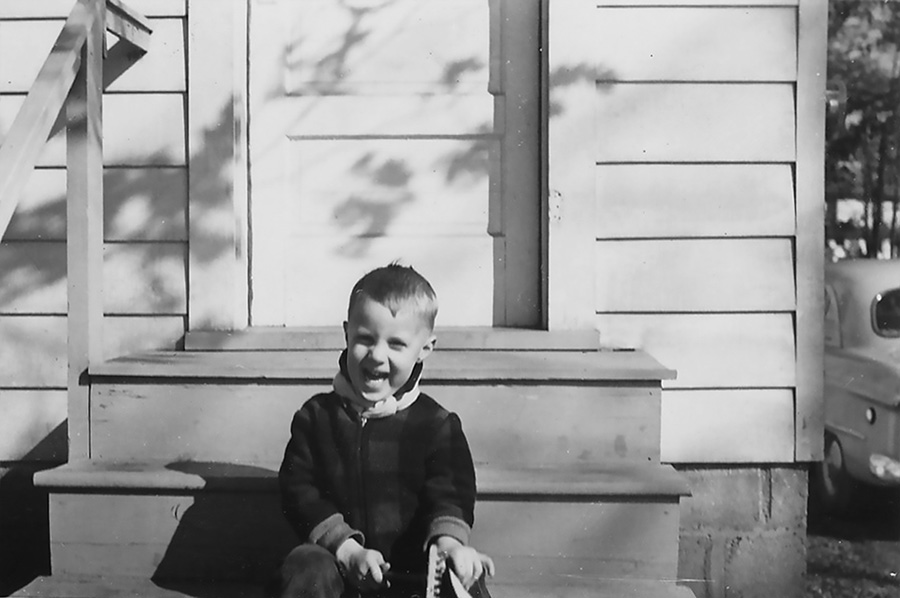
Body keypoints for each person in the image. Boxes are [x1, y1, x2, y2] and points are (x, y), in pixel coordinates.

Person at [269, 263, 494, 598]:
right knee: (305, 565)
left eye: (396, 344)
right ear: (346, 333)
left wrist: (449, 544)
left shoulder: (435, 424)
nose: (376, 355)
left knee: (458, 567)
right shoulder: (316, 417)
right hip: (340, 569)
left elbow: (450, 496)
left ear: (425, 349)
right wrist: (346, 548)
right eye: (364, 339)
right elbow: (298, 489)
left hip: (412, 577)